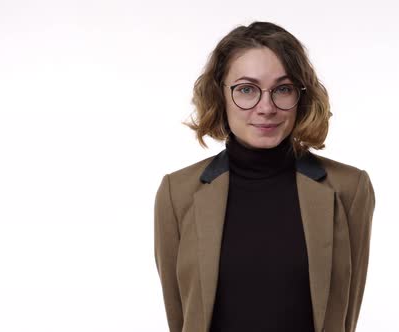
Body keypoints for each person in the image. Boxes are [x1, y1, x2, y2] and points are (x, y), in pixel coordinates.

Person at [154, 21, 376, 332]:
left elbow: (344, 315)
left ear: (301, 95)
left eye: (282, 89)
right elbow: (180, 317)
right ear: (221, 94)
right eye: (247, 89)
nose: (266, 107)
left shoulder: (349, 189)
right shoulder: (177, 193)